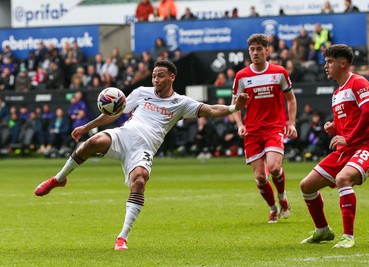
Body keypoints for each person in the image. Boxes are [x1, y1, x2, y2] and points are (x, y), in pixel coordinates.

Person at [34, 60, 249, 250]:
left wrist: (233, 108)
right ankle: (58, 179)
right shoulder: (141, 92)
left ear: (172, 77)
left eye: (160, 76)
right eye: (154, 75)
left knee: (139, 181)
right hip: (124, 136)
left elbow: (211, 109)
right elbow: (115, 112)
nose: (155, 79)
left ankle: (122, 237)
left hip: (143, 149)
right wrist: (86, 127)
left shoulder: (181, 103)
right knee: (93, 141)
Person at [300, 44, 369, 248]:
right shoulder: (337, 93)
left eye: (329, 62)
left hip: (366, 147)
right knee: (306, 186)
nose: (325, 66)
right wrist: (334, 127)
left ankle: (348, 237)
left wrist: (348, 138)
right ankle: (322, 231)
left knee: (343, 179)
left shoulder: (359, 83)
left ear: (343, 63)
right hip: (346, 150)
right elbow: (348, 121)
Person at [231, 34, 297, 223]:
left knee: (275, 167)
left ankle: (283, 197)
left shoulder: (279, 72)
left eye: (259, 49)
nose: (255, 52)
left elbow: (291, 99)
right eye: (252, 49)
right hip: (252, 131)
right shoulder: (242, 76)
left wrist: (291, 123)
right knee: (260, 177)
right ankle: (273, 208)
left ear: (267, 51)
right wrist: (240, 125)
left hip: (274, 128)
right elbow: (235, 105)